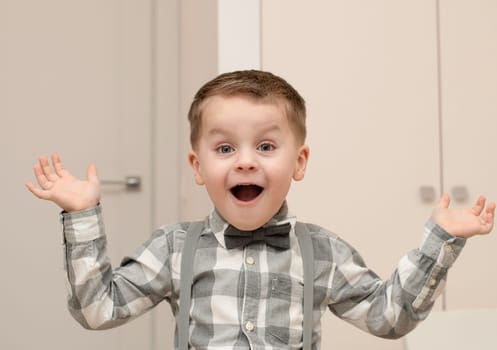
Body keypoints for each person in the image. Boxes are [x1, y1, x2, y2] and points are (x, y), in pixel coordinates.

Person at [26, 70, 495, 349]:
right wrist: (83, 215)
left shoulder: (323, 251)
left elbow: (391, 317)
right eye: (225, 148)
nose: (246, 160)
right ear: (198, 166)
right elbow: (97, 311)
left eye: (266, 145)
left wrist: (441, 239)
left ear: (299, 162)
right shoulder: (173, 248)